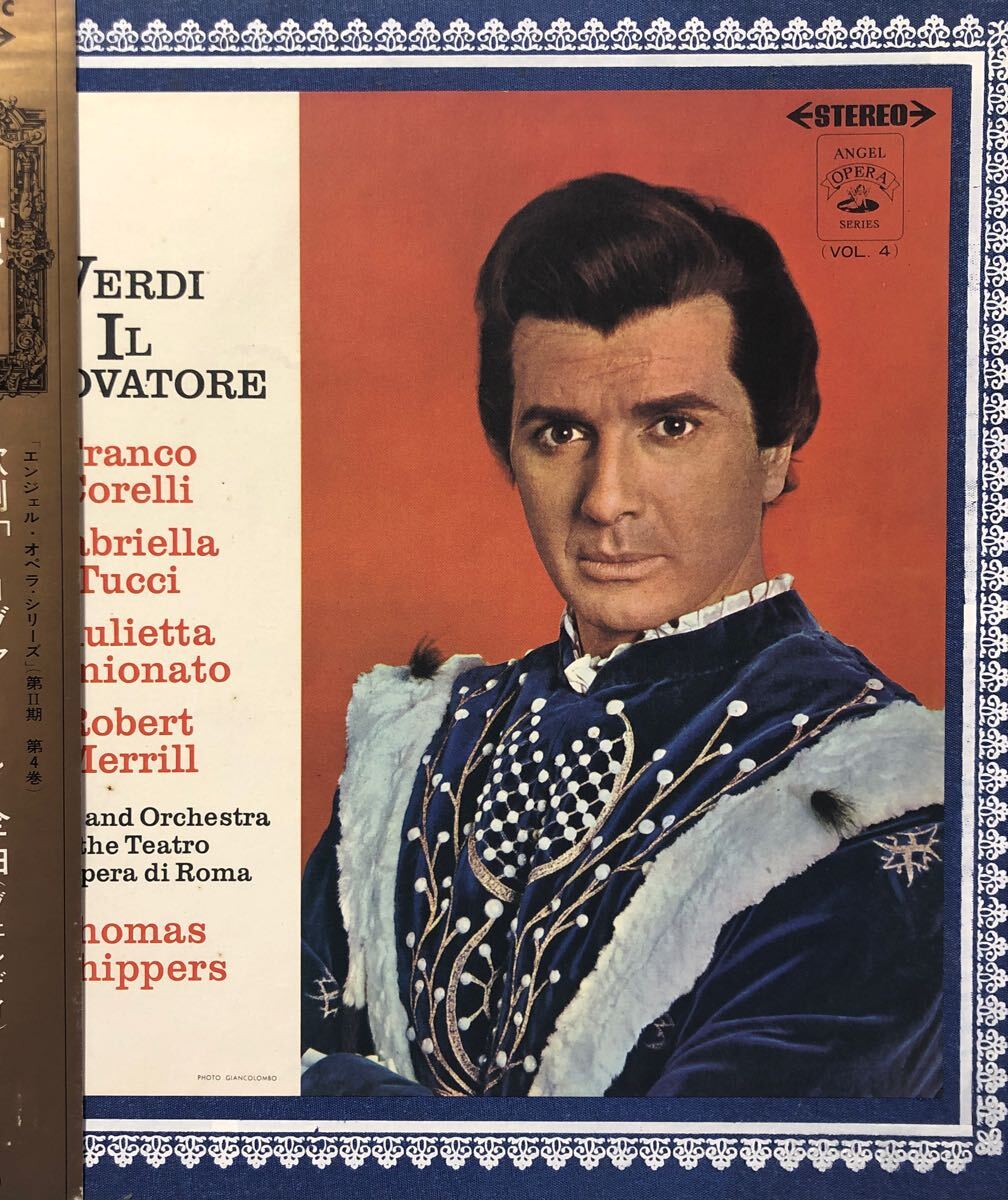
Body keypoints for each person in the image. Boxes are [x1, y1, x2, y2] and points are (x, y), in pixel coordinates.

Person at [300, 173, 943, 1098]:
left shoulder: (876, 794)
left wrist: (330, 1090)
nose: (606, 500)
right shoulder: (413, 751)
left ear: (775, 448)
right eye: (560, 435)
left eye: (671, 426)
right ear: (509, 453)